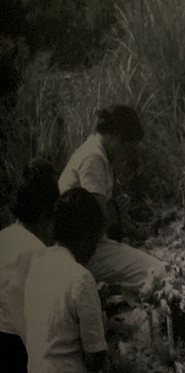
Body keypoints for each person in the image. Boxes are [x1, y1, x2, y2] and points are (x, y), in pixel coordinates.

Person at [22, 188, 145, 373]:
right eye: (95, 240)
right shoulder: (80, 277)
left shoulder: (37, 265)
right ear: (85, 236)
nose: (94, 249)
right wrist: (102, 324)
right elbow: (95, 359)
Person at [58, 104, 167, 293]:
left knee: (147, 269)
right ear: (116, 135)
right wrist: (115, 212)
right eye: (126, 146)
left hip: (81, 245)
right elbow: (97, 221)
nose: (125, 153)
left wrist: (118, 213)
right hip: (81, 251)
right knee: (158, 273)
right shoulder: (94, 158)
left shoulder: (95, 151)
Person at [0, 159, 59, 373]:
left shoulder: (5, 235)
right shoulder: (35, 251)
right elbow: (28, 322)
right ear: (48, 214)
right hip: (11, 349)